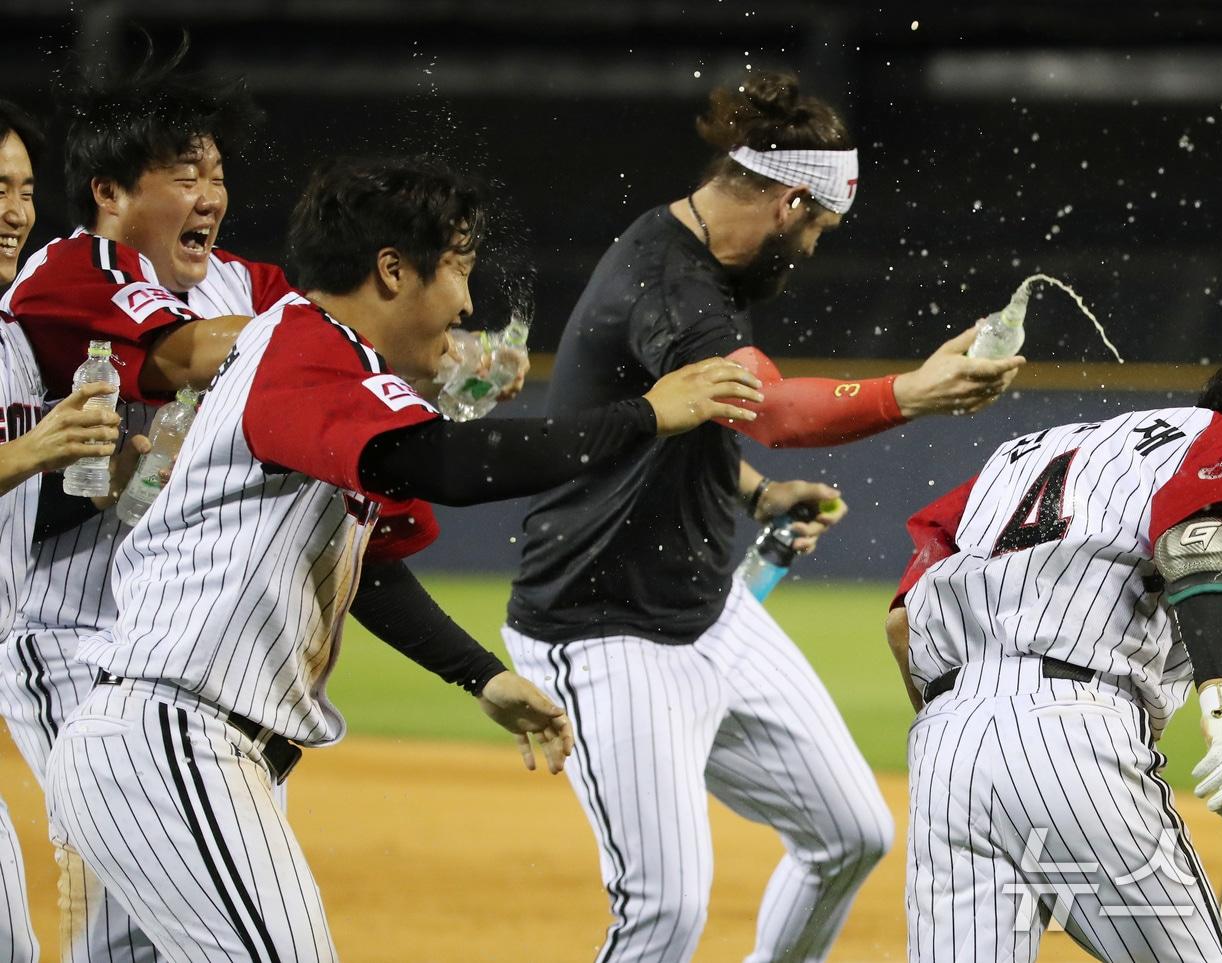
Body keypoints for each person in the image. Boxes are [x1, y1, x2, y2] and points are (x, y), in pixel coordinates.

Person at [43, 153, 762, 960]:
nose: (464, 299)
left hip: (178, 749)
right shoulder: (305, 343)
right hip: (171, 742)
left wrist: (480, 673)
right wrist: (644, 415)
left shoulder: (328, 366)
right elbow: (447, 464)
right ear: (392, 269)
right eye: (456, 267)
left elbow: (368, 572)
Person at [502, 70, 1022, 962]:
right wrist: (916, 391)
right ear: (787, 201)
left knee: (852, 833)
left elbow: (685, 414)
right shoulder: (671, 281)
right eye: (818, 224)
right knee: (662, 911)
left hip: (707, 612)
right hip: (602, 627)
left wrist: (751, 494)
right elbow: (772, 410)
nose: (815, 246)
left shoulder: (705, 265)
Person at [886, 358, 1222, 961]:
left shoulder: (1017, 457)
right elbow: (1203, 545)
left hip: (941, 748)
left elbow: (902, 624)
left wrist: (960, 731)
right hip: (1070, 730)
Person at [0, 44, 297, 962]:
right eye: (184, 172)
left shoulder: (241, 286)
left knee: (148, 910)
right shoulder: (65, 270)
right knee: (131, 898)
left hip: (180, 647)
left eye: (217, 172)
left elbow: (320, 327)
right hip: (63, 635)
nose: (210, 192)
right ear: (109, 192)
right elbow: (187, 354)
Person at [0, 98, 131, 963]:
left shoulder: (11, 331)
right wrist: (36, 446)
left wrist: (107, 470)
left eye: (22, 189)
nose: (14, 209)